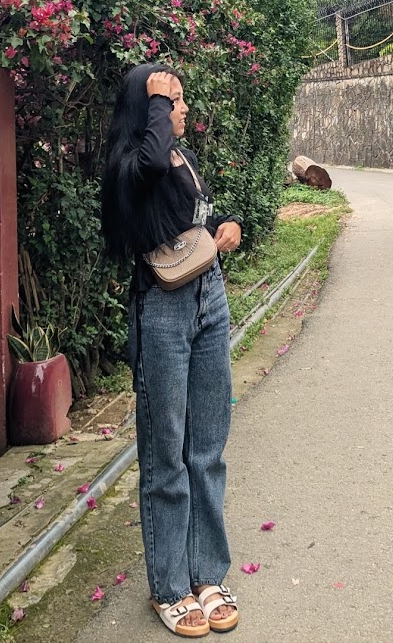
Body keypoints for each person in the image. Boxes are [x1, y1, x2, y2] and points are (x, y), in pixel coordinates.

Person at [101, 64, 243, 637]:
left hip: (210, 296)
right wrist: (155, 98)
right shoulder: (129, 166)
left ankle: (206, 574)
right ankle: (169, 587)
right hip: (161, 308)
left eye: (179, 100)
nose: (182, 109)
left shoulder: (182, 157)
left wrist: (226, 225)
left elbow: (192, 221)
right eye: (170, 101)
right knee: (167, 453)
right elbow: (150, 167)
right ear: (148, 113)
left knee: (207, 446)